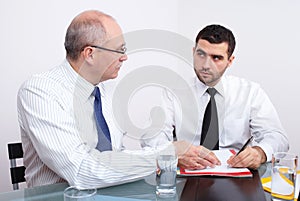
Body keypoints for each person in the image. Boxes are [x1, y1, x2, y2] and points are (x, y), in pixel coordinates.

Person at [17, 10, 220, 189]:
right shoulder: (39, 91)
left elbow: (116, 156)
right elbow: (82, 172)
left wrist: (168, 154)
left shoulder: (107, 89)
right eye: (119, 50)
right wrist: (166, 155)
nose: (124, 57)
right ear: (90, 54)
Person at [142, 24, 289, 169]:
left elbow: (277, 137)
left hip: (237, 177)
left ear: (230, 61)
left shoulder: (250, 92)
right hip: (187, 175)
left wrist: (260, 153)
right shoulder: (173, 93)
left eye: (216, 58)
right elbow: (152, 138)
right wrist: (173, 151)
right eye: (201, 54)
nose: (206, 65)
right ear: (193, 52)